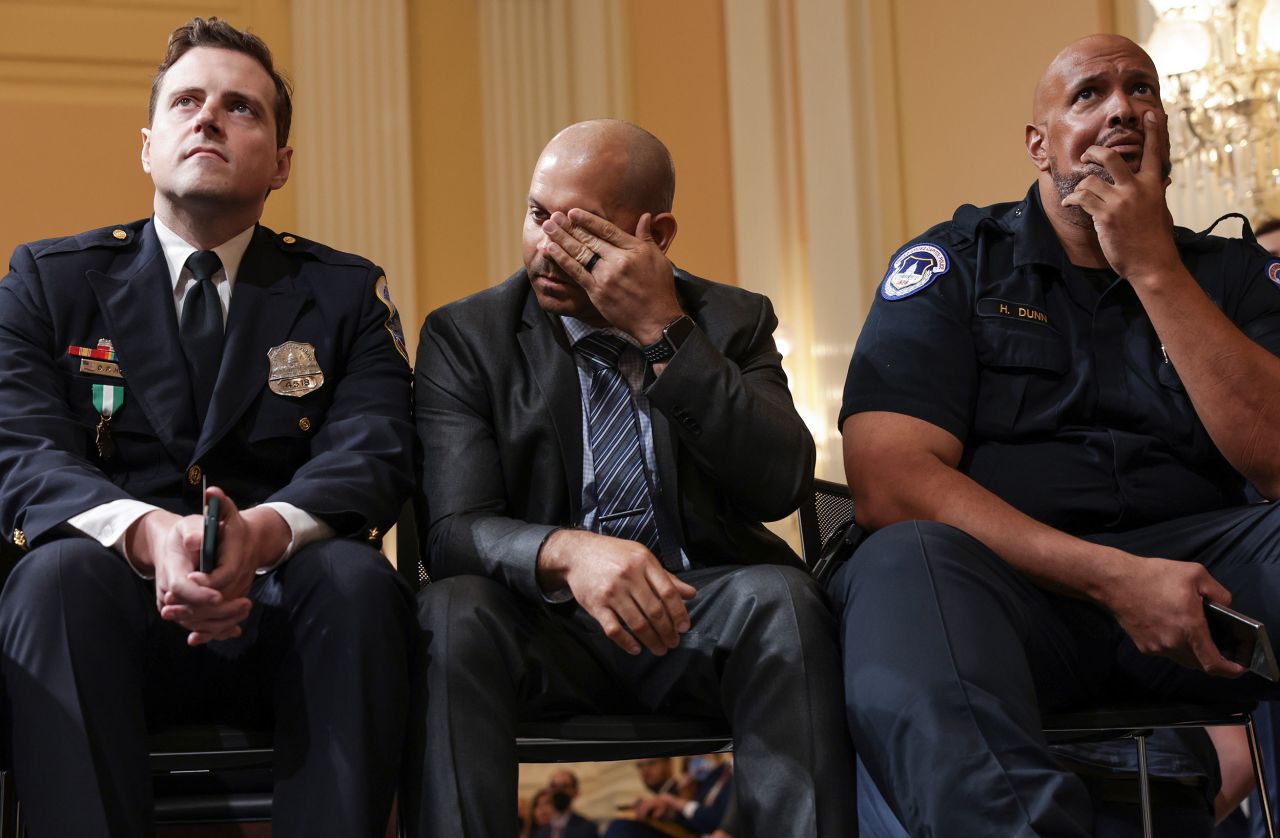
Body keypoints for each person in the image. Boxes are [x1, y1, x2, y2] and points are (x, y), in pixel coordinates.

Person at [832, 33, 1280, 837]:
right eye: (1089, 95)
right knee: (904, 560)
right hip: (1014, 597)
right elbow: (888, 478)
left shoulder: (1238, 275)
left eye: (1141, 91)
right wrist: (1113, 577)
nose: (1121, 109)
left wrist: (1153, 268)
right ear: (1039, 145)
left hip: (1206, 591)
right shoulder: (956, 265)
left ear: (1168, 135)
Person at [0, 17, 416, 837]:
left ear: (281, 164)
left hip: (285, 619)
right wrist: (151, 535)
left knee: (360, 584)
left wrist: (261, 536)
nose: (210, 118)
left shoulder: (341, 295)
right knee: (50, 582)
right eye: (188, 101)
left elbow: (376, 450)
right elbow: (20, 451)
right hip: (109, 620)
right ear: (148, 145)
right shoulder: (49, 283)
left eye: (242, 108)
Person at [407, 119, 855, 837]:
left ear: (657, 234)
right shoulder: (468, 336)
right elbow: (453, 532)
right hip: (541, 624)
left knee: (784, 601)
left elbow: (780, 483)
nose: (547, 247)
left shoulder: (730, 320)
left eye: (578, 228)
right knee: (450, 611)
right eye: (536, 216)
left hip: (690, 611)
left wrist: (663, 329)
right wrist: (567, 552)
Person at [604, 754, 733, 838]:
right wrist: (669, 812)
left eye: (651, 764)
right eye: (640, 767)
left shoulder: (728, 774)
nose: (645, 772)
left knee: (624, 828)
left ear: (669, 763)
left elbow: (718, 822)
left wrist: (674, 802)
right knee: (622, 825)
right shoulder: (695, 784)